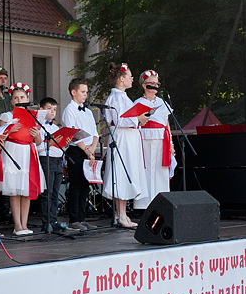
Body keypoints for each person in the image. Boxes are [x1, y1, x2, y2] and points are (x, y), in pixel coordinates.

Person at [0, 82, 44, 236]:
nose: (19, 100)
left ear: (27, 98)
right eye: (16, 98)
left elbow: (38, 142)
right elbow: (0, 136)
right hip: (13, 151)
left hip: (28, 152)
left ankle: (25, 224)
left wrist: (35, 133)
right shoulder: (7, 116)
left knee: (26, 190)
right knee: (15, 190)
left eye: (22, 97)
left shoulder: (33, 116)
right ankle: (17, 225)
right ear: (11, 101)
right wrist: (10, 129)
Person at [101, 62, 143, 229]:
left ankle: (121, 213)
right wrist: (138, 119)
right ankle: (122, 214)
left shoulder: (123, 97)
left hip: (128, 139)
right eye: (130, 76)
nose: (132, 79)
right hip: (122, 139)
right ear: (121, 79)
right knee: (122, 173)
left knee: (126, 172)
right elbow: (118, 120)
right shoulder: (116, 98)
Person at [133, 69, 177, 211]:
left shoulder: (162, 102)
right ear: (144, 85)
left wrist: (171, 143)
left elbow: (166, 124)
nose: (155, 86)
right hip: (145, 138)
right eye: (152, 83)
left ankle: (161, 202)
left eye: (157, 83)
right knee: (146, 170)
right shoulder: (138, 103)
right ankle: (144, 204)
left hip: (161, 139)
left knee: (160, 171)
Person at [62, 78, 100, 231]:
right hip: (77, 150)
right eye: (83, 92)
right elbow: (72, 134)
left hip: (89, 150)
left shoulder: (89, 112)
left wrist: (92, 149)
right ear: (74, 92)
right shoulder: (69, 110)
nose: (86, 95)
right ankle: (74, 219)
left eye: (86, 92)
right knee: (76, 184)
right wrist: (86, 150)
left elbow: (95, 133)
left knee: (86, 185)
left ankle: (82, 218)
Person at [37, 97, 64, 233]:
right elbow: (37, 146)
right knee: (47, 194)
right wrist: (50, 143)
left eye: (55, 110)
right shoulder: (39, 126)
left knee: (55, 193)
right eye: (49, 109)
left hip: (58, 160)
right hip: (46, 159)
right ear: (41, 110)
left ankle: (53, 220)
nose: (53, 112)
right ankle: (46, 222)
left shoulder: (55, 126)